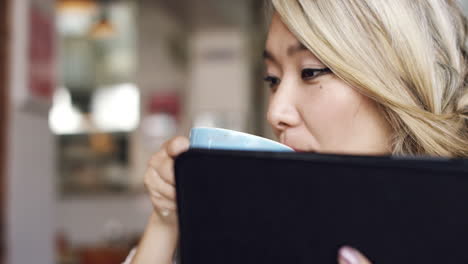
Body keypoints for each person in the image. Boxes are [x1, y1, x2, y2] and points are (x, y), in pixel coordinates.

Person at [125, 0, 468, 263]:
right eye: (272, 80)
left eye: (311, 72)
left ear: (402, 80)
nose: (276, 112)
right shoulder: (269, 226)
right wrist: (166, 219)